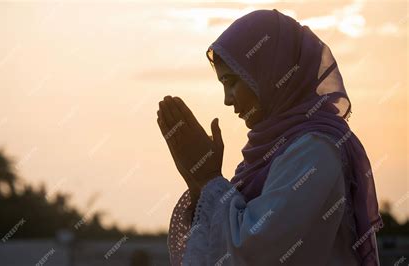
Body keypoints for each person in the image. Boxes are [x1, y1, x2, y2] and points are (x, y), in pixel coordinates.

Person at [157, 9, 382, 266]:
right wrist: (198, 182)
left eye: (231, 82)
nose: (227, 100)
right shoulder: (269, 155)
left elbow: (258, 251)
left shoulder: (315, 151)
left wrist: (209, 179)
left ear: (270, 71)